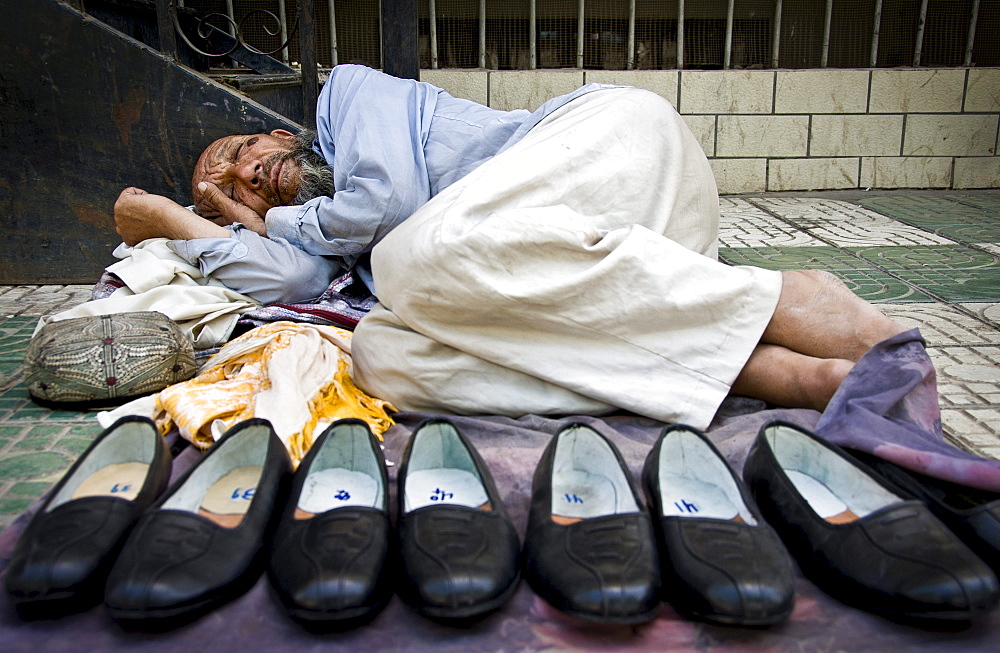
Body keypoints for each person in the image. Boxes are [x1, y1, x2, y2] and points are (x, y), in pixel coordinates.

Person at [114, 64, 905, 429]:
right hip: (612, 256)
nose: (253, 172)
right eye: (236, 186)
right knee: (386, 358)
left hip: (616, 150)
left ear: (280, 129)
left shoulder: (348, 99)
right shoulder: (335, 238)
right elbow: (285, 276)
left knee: (404, 263)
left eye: (244, 150)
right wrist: (188, 218)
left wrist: (264, 215)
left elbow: (384, 200)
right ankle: (776, 366)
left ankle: (785, 298)